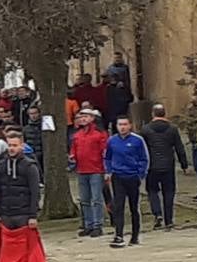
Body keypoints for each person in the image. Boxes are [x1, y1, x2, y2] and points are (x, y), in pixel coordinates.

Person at [0, 130, 45, 262]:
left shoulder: (29, 166)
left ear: (22, 145)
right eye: (9, 145)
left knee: (25, 251)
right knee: (11, 251)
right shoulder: (2, 164)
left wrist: (32, 215)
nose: (11, 148)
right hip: (7, 212)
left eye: (15, 145)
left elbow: (35, 191)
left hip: (23, 213)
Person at [104, 115, 150, 248]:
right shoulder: (112, 141)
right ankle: (118, 235)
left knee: (134, 207)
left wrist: (140, 174)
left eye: (125, 124)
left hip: (132, 177)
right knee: (118, 206)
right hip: (118, 176)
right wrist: (109, 171)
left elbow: (144, 159)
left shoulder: (137, 140)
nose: (122, 127)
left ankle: (135, 235)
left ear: (130, 125)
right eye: (120, 125)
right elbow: (107, 157)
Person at [140, 103, 189, 230]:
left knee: (152, 191)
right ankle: (169, 220)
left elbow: (142, 149)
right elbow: (179, 147)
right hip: (168, 165)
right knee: (169, 192)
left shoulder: (145, 129)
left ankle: (157, 213)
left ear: (152, 114)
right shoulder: (172, 129)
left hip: (152, 166)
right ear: (164, 113)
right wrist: (184, 164)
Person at [69, 108, 109, 238]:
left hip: (96, 170)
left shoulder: (100, 134)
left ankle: (98, 225)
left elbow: (105, 153)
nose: (83, 119)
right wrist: (72, 157)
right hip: (81, 170)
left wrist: (106, 169)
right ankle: (88, 224)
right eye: (81, 117)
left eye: (86, 116)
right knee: (85, 199)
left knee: (96, 199)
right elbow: (73, 150)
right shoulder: (77, 135)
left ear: (92, 118)